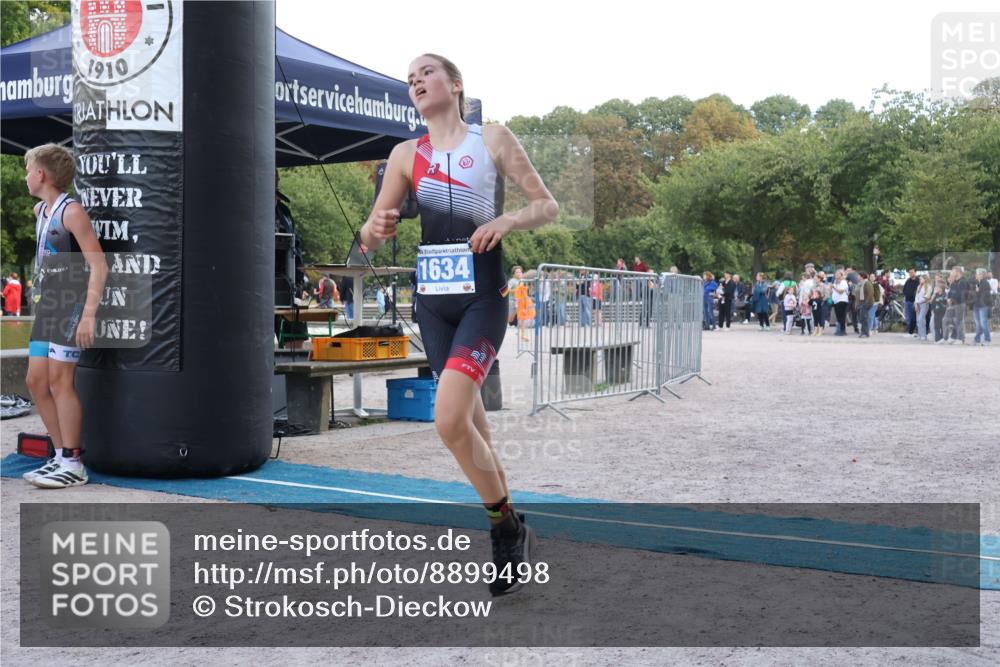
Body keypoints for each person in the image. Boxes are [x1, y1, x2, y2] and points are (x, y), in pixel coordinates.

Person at [359, 54, 557, 596]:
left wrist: (507, 218)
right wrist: (373, 226)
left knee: (449, 420)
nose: (416, 82)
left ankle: (504, 528)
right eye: (410, 80)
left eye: (426, 72)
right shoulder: (406, 155)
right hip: (432, 304)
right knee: (476, 429)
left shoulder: (492, 139)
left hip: (482, 301)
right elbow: (371, 236)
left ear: (456, 83)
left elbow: (548, 206)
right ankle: (514, 531)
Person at [21, 143, 108, 489]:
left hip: (70, 304)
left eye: (29, 170)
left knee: (60, 380)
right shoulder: (41, 211)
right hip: (48, 304)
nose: (26, 176)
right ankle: (59, 456)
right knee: (35, 381)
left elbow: (99, 265)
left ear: (41, 174)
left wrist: (89, 314)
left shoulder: (71, 212)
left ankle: (73, 462)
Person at [972, 267, 992, 346]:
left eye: (978, 274)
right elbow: (974, 293)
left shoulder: (986, 283)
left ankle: (987, 339)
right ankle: (977, 339)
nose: (976, 275)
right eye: (976, 273)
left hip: (983, 305)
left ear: (982, 275)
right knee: (978, 324)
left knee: (984, 323)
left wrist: (978, 291)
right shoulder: (977, 282)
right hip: (976, 305)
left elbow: (985, 295)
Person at [831, 269, 850, 336]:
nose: (836, 275)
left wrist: (834, 287)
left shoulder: (843, 282)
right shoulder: (835, 282)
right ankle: (839, 330)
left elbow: (841, 291)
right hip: (836, 301)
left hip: (842, 301)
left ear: (841, 275)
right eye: (835, 274)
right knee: (838, 316)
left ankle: (843, 330)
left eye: (837, 274)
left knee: (842, 316)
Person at [856, 272, 874, 338]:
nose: (857, 277)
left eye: (858, 276)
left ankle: (865, 332)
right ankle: (865, 332)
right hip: (863, 302)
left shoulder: (867, 283)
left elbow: (871, 293)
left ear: (862, 276)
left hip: (867, 303)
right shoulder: (861, 283)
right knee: (863, 317)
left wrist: (866, 302)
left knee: (863, 317)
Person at [902, 268, 920, 335]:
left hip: (915, 302)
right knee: (908, 317)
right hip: (908, 301)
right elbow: (904, 290)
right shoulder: (908, 281)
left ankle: (917, 331)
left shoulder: (918, 281)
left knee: (915, 317)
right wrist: (906, 295)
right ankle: (909, 331)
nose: (911, 274)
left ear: (915, 272)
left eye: (912, 272)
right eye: (909, 272)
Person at [914, 274, 932, 341]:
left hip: (924, 304)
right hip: (918, 304)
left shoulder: (928, 287)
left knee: (922, 319)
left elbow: (927, 297)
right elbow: (916, 295)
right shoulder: (919, 287)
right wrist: (916, 303)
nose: (920, 280)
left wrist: (919, 302)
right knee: (918, 319)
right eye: (920, 279)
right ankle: (920, 334)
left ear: (925, 279)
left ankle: (924, 335)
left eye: (921, 279)